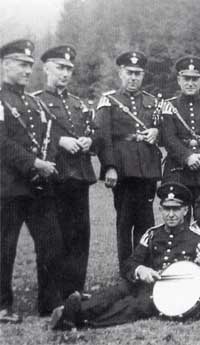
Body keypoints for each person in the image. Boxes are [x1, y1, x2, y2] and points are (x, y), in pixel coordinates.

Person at [50, 182, 200, 330]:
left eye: (176, 209)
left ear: (185, 210)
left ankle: (77, 316)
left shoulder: (198, 239)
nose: (171, 214)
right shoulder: (152, 234)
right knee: (115, 292)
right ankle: (72, 311)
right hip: (141, 284)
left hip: (166, 293)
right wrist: (140, 269)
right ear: (160, 209)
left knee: (133, 306)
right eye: (166, 209)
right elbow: (130, 264)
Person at [0, 39, 64, 321]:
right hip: (9, 187)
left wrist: (45, 162)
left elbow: (47, 138)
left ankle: (49, 304)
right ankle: (2, 305)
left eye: (30, 65)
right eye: (22, 64)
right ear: (5, 65)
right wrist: (32, 163)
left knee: (51, 243)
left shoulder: (34, 102)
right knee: (4, 247)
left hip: (39, 186)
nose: (28, 70)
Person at [34, 45, 97, 298]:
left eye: (69, 69)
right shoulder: (36, 102)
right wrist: (60, 142)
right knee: (52, 239)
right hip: (52, 177)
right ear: (46, 68)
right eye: (60, 67)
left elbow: (92, 131)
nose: (65, 73)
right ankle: (51, 296)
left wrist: (88, 141)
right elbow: (30, 137)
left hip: (79, 177)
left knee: (79, 236)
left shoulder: (77, 103)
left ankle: (74, 291)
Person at [95, 51, 162, 276]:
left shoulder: (154, 102)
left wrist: (156, 131)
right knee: (125, 225)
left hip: (147, 171)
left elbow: (166, 131)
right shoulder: (110, 100)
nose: (133, 77)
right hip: (123, 171)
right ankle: (126, 272)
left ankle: (144, 270)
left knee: (146, 224)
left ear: (143, 75)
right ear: (121, 73)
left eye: (138, 73)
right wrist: (110, 167)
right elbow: (102, 137)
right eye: (129, 73)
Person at [162, 55, 200, 199]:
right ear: (179, 80)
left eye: (194, 79)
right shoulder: (169, 106)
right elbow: (168, 137)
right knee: (178, 217)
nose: (190, 83)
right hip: (178, 171)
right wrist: (187, 156)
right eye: (186, 79)